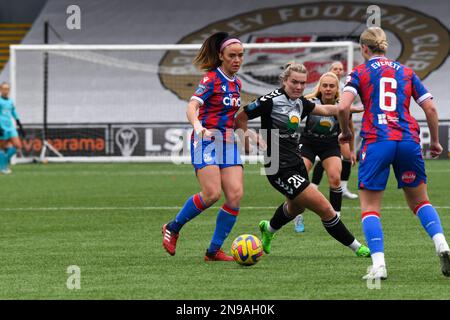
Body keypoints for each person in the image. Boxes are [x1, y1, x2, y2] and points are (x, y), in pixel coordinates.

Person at [337, 26, 450, 280]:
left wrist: (345, 131)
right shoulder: (407, 72)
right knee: (420, 201)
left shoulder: (360, 72)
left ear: (364, 48)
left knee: (370, 207)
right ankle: (441, 243)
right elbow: (430, 109)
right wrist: (434, 142)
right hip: (408, 141)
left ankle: (379, 265)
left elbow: (343, 107)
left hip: (378, 141)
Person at [235, 62, 370, 258]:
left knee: (297, 206)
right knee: (325, 208)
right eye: (294, 82)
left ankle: (269, 229)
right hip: (277, 166)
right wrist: (248, 140)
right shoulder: (270, 101)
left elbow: (324, 110)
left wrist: (350, 108)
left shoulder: (301, 102)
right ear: (284, 81)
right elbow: (240, 119)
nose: (299, 87)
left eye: (303, 83)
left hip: (295, 161)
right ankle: (358, 248)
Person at [162, 32, 244, 261]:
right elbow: (192, 106)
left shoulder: (237, 83)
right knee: (211, 194)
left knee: (235, 195)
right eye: (232, 55)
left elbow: (232, 117)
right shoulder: (211, 79)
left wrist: (249, 135)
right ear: (221, 56)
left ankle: (213, 250)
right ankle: (173, 227)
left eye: (240, 55)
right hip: (206, 140)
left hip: (227, 142)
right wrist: (198, 126)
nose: (237, 60)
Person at [292, 72, 360, 233]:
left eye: (332, 86)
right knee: (298, 177)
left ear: (337, 88)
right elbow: (293, 122)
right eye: (325, 85)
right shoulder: (309, 101)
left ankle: (336, 218)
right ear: (320, 87)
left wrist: (351, 151)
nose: (328, 89)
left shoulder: (342, 105)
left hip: (330, 144)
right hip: (308, 142)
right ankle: (297, 215)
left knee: (335, 178)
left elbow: (349, 129)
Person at [310, 61, 358, 201]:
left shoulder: (345, 89)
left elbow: (348, 118)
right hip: (321, 130)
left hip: (339, 128)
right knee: (323, 158)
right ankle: (313, 186)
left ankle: (343, 188)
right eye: (335, 68)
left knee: (347, 156)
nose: (338, 71)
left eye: (340, 69)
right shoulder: (319, 90)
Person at [0, 82, 25, 174]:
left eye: (7, 89)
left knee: (18, 145)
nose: (6, 91)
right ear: (0, 90)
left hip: (10, 127)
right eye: (4, 89)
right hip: (2, 127)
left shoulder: (10, 102)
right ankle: (3, 168)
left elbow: (14, 112)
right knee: (2, 148)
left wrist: (20, 124)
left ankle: (3, 163)